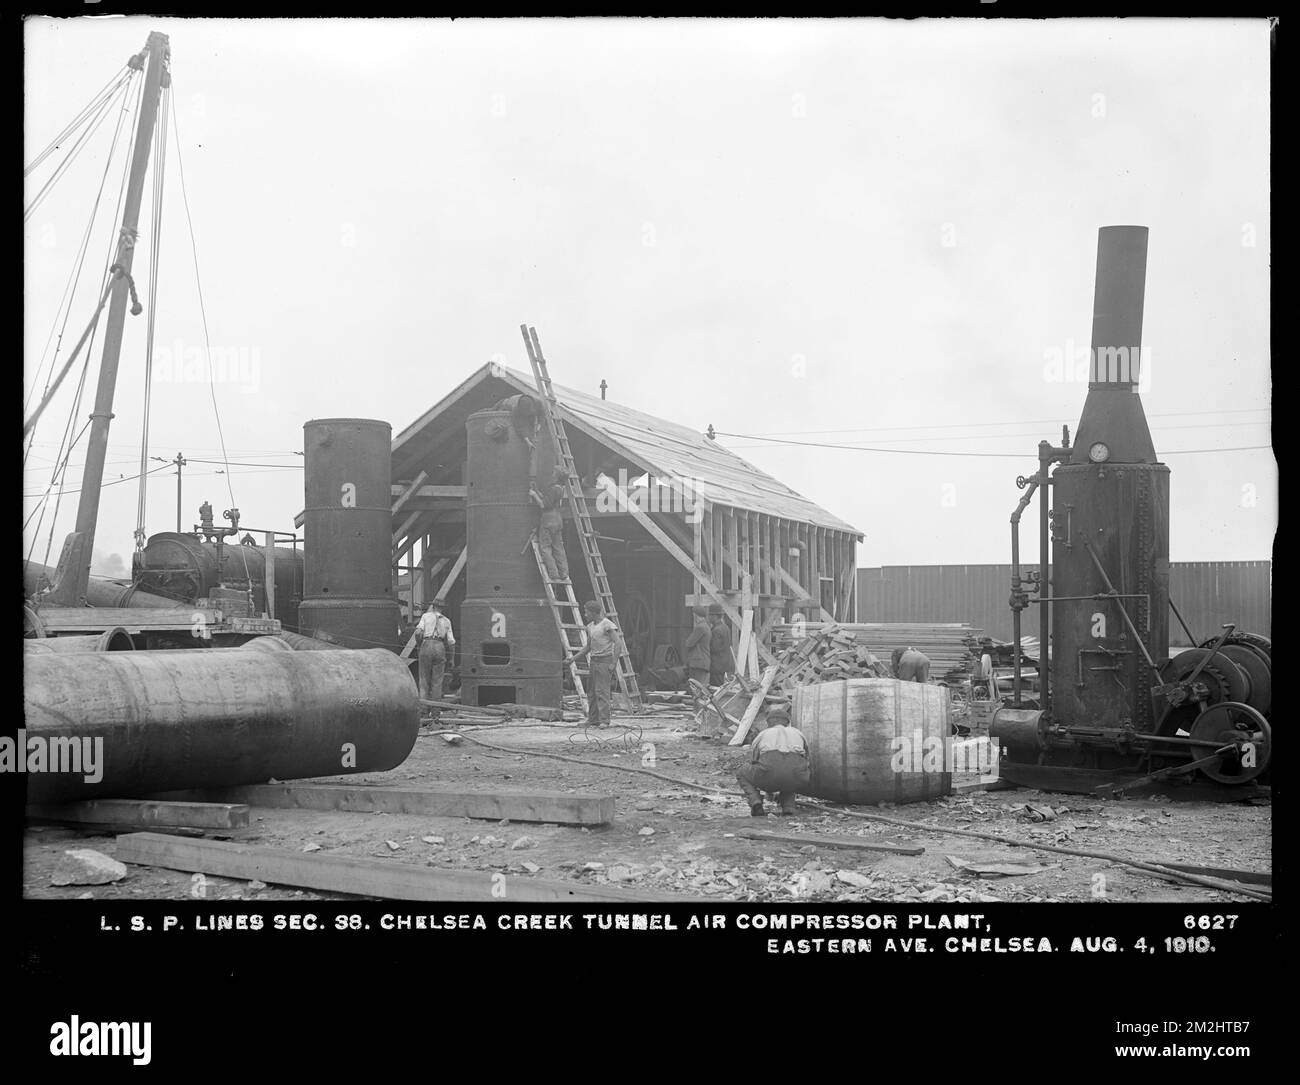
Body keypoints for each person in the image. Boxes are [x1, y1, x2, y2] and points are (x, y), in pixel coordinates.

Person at [736, 707, 810, 816]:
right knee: (792, 771)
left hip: (769, 773)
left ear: (769, 722)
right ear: (787, 722)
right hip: (796, 776)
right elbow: (806, 759)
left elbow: (754, 761)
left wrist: (769, 789)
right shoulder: (798, 733)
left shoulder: (763, 734)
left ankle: (755, 802)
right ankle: (788, 806)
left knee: (742, 772)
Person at [567, 601, 625, 729]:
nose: (585, 614)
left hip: (605, 661)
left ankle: (604, 721)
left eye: (586, 612)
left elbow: (618, 643)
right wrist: (572, 659)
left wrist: (613, 663)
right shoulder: (590, 627)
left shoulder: (607, 625)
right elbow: (588, 647)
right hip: (593, 661)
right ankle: (593, 720)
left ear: (593, 612)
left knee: (602, 692)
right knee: (592, 692)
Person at [415, 598, 456, 720]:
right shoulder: (447, 621)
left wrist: (419, 646)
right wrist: (452, 659)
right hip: (440, 646)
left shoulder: (425, 616)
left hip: (426, 644)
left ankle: (423, 713)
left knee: (424, 681)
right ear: (442, 608)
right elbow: (451, 642)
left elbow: (418, 633)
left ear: (433, 607)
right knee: (437, 682)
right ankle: (436, 714)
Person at [529, 465, 570, 583]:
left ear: (556, 476)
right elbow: (549, 500)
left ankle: (554, 574)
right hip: (557, 519)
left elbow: (543, 505)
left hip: (548, 519)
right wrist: (537, 491)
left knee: (545, 547)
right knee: (558, 547)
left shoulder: (553, 489)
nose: (552, 474)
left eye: (553, 473)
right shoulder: (560, 488)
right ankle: (564, 573)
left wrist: (533, 494)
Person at [684, 607, 711, 690]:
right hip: (703, 662)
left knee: (695, 689)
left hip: (698, 663)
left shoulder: (700, 627)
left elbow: (689, 643)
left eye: (694, 615)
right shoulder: (706, 626)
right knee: (700, 688)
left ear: (696, 615)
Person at [708, 604, 734, 685]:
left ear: (715, 616)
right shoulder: (725, 627)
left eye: (710, 615)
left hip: (716, 665)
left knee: (716, 688)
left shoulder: (716, 630)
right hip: (723, 664)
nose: (708, 617)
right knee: (720, 686)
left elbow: (714, 648)